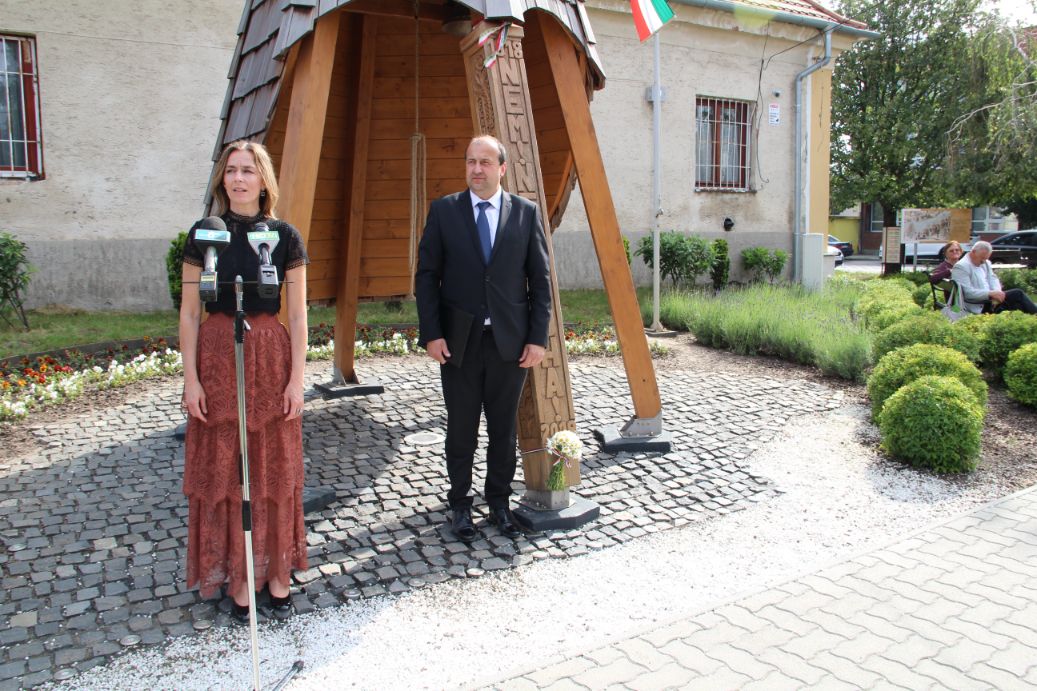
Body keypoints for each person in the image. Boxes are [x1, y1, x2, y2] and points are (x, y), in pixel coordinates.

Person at [179, 140, 309, 622]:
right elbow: (189, 314)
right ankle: (239, 576)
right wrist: (191, 380)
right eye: (231, 170)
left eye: (247, 171)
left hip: (270, 357)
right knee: (227, 466)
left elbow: (298, 315)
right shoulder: (203, 234)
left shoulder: (285, 236)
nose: (238, 179)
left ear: (263, 180)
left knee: (272, 465)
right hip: (217, 356)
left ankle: (275, 573)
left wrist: (296, 381)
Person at [415, 135, 552, 542]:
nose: (477, 169)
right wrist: (432, 333)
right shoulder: (444, 211)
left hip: (509, 344)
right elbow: (427, 277)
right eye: (471, 161)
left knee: (503, 430)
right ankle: (460, 505)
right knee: (461, 429)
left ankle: (498, 503)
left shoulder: (525, 213)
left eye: (485, 162)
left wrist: (537, 338)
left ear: (502, 168)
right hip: (458, 343)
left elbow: (540, 281)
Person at [951, 240, 1037, 315]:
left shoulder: (985, 263)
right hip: (978, 305)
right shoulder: (961, 267)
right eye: (982, 258)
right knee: (1018, 294)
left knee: (1018, 305)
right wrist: (990, 294)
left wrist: (997, 292)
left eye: (986, 258)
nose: (983, 261)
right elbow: (967, 293)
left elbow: (993, 279)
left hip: (991, 301)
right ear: (973, 252)